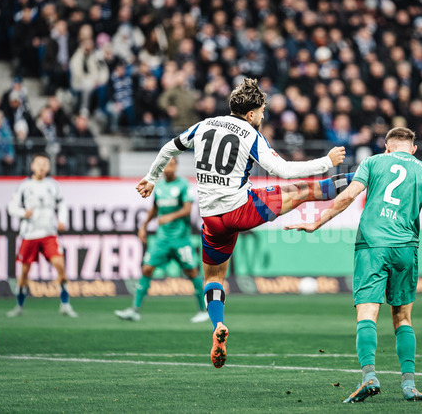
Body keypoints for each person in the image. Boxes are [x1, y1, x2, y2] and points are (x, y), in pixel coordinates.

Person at [136, 78, 349, 368]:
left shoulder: (204, 125)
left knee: (213, 279)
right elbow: (283, 170)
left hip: (211, 219)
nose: (263, 116)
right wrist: (327, 161)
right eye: (261, 112)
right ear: (250, 114)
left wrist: (151, 178)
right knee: (303, 191)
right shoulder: (250, 133)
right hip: (240, 209)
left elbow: (168, 149)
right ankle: (365, 176)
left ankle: (218, 324)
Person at [285, 127, 422, 402]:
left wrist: (316, 222)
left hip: (372, 246)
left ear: (387, 147)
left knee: (368, 312)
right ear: (413, 149)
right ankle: (409, 385)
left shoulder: (372, 162)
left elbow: (348, 195)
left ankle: (369, 377)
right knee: (403, 318)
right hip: (405, 249)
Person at [115, 157, 209, 324]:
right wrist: (143, 226)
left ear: (176, 166)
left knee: (192, 272)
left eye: (172, 164)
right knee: (147, 269)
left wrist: (170, 216)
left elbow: (187, 209)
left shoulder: (183, 185)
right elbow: (155, 208)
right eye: (166, 165)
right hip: (162, 239)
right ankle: (135, 310)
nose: (169, 168)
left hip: (180, 239)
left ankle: (203, 311)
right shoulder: (158, 186)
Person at [6, 154, 78, 318]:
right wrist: (23, 212)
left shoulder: (53, 185)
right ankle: (19, 305)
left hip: (49, 233)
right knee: (24, 272)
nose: (42, 166)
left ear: (49, 167)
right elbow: (11, 207)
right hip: (29, 234)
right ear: (32, 166)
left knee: (60, 265)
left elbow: (62, 205)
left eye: (45, 163)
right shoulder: (24, 186)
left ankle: (65, 304)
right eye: (39, 163)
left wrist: (61, 220)